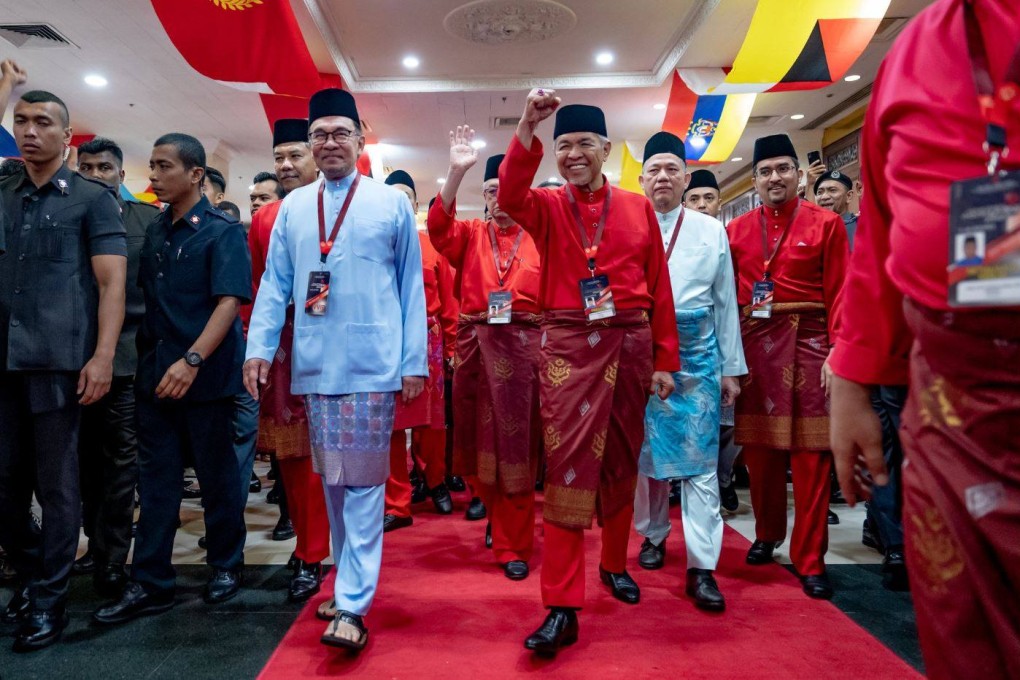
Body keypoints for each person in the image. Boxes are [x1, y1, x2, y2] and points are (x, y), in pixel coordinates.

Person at [829, 1, 1019, 677]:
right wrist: (853, 378)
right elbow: (879, 234)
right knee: (964, 635)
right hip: (950, 404)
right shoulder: (915, 49)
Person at [244, 88, 427, 652]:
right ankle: (348, 584)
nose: (329, 143)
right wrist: (258, 349)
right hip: (316, 365)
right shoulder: (293, 209)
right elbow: (274, 286)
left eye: (340, 133)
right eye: (318, 134)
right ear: (309, 142)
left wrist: (413, 360)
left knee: (366, 483)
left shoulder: (389, 201)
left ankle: (352, 602)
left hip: (373, 365)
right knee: (335, 482)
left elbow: (411, 286)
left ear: (359, 136)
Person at [498, 89, 678, 655]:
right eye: (563, 146)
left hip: (631, 341)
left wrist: (667, 359)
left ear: (605, 148)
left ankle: (615, 564)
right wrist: (528, 123)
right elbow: (508, 192)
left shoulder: (637, 206)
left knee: (622, 457)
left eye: (583, 144)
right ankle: (560, 604)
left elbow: (660, 287)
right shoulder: (548, 206)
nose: (573, 154)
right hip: (570, 345)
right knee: (569, 466)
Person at [94, 133, 252, 624]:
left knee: (217, 479)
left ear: (196, 174)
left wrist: (193, 361)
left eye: (164, 167)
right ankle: (152, 582)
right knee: (157, 482)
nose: (154, 176)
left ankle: (226, 565)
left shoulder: (222, 231)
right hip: (155, 378)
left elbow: (229, 302)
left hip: (204, 379)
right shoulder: (158, 230)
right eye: (153, 166)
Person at [0, 90, 127, 652]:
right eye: (21, 121)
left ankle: (48, 600)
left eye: (43, 122)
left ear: (65, 135)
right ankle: (31, 574)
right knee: (4, 487)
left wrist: (102, 357)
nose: (31, 131)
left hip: (58, 363)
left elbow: (111, 284)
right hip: (3, 363)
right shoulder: (3, 190)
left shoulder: (92, 199)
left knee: (58, 487)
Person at [726, 133, 850, 600]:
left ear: (798, 174)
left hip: (812, 347)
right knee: (760, 456)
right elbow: (725, 300)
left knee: (812, 458)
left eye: (782, 168)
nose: (773, 178)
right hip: (754, 348)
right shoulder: (735, 232)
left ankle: (811, 558)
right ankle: (766, 533)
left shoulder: (827, 224)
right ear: (754, 180)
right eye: (764, 171)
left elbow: (842, 291)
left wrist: (839, 349)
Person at [634, 132, 745, 611]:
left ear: (685, 176)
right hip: (640, 354)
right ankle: (653, 536)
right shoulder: (625, 224)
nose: (663, 177)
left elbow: (726, 305)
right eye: (654, 169)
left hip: (698, 358)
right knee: (648, 463)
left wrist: (731, 370)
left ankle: (702, 567)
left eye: (671, 169)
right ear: (641, 178)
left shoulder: (710, 229)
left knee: (700, 467)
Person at [428, 132, 544, 580]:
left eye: (507, 188)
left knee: (517, 447)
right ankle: (496, 513)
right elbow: (439, 229)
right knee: (475, 447)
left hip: (526, 352)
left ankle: (514, 541)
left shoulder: (541, 234)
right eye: (492, 189)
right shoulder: (472, 233)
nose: (499, 197)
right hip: (477, 349)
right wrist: (456, 172)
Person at [244, 117, 331, 603]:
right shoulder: (266, 217)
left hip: (342, 341)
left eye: (295, 154)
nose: (286, 164)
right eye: (279, 157)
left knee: (346, 453)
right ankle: (310, 552)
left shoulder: (356, 204)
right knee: (296, 454)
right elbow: (262, 290)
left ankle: (357, 552)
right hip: (290, 343)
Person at [73, 137, 160, 598]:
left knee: (121, 462)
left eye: (104, 168)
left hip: (129, 358)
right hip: (69, 357)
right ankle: (95, 544)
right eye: (86, 167)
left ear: (121, 176)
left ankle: (112, 556)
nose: (94, 175)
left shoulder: (148, 221)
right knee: (81, 461)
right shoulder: (66, 216)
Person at [382, 169, 458, 531]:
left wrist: (453, 344)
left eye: (405, 199)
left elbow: (449, 301)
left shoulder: (433, 247)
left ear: (414, 206)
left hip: (429, 339)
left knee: (433, 421)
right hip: (382, 343)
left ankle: (435, 481)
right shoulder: (373, 244)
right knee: (389, 426)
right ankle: (396, 504)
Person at [683, 167, 742, 512]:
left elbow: (727, 303)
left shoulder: (727, 235)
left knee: (726, 422)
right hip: (679, 347)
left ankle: (725, 478)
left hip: (723, 338)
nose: (702, 205)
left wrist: (732, 364)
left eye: (708, 198)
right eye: (695, 199)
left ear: (720, 202)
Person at [812, 169, 857, 249]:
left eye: (832, 190)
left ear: (849, 196)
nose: (824, 197)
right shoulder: (810, 230)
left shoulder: (862, 226)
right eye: (820, 192)